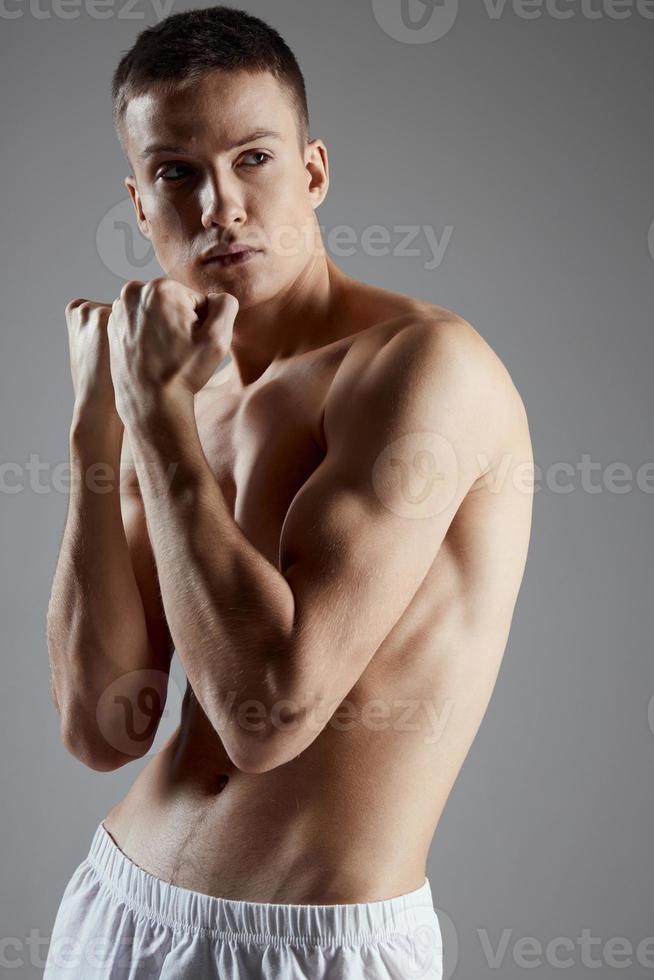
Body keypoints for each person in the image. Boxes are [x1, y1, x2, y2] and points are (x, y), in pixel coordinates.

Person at [44, 6, 534, 978]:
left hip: (311, 949)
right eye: (176, 171)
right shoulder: (181, 389)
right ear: (138, 205)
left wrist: (154, 423)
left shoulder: (425, 368)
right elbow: (102, 725)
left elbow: (267, 712)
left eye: (252, 158)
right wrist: (96, 429)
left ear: (312, 170)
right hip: (114, 910)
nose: (218, 202)